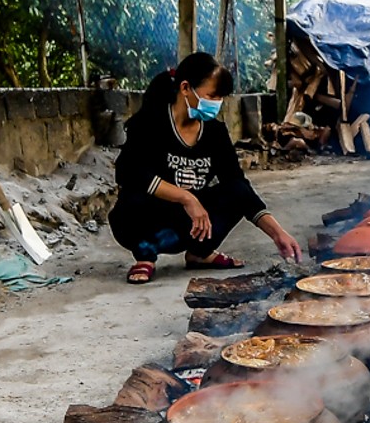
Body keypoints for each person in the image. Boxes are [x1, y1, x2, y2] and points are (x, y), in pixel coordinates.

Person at [110, 51, 303, 284]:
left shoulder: (215, 132)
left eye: (220, 98)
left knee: (236, 191)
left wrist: (277, 233)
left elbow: (237, 182)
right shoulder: (150, 123)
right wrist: (186, 198)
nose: (216, 104)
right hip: (152, 219)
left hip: (192, 225)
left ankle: (199, 253)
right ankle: (145, 256)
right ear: (185, 89)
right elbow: (128, 171)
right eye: (211, 96)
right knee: (133, 195)